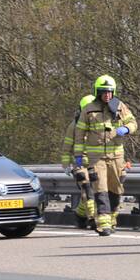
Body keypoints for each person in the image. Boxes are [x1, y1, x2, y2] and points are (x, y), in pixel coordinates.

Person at [73, 75, 138, 236]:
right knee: (100, 188)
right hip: (96, 158)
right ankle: (103, 224)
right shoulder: (89, 109)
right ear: (98, 92)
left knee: (116, 190)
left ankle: (112, 219)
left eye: (110, 92)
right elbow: (80, 134)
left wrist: (127, 129)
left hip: (116, 156)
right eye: (104, 91)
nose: (107, 95)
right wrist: (78, 156)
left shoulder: (120, 106)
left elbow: (133, 122)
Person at [61, 94, 96, 229]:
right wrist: (66, 165)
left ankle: (80, 215)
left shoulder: (100, 125)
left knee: (90, 193)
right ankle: (93, 218)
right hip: (80, 164)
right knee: (87, 189)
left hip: (96, 162)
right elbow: (67, 147)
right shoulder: (74, 126)